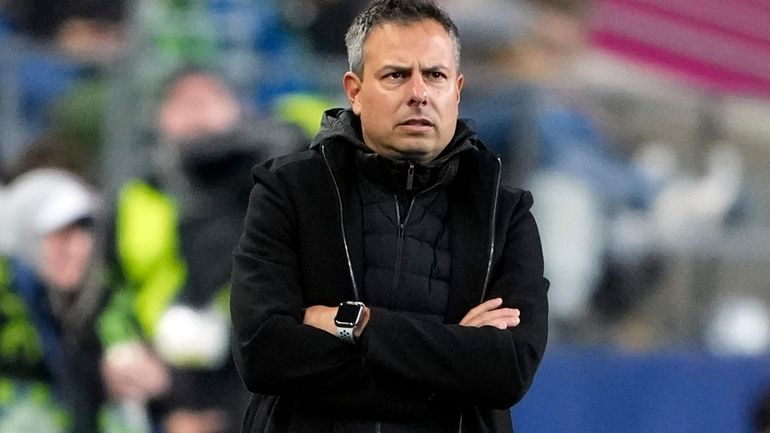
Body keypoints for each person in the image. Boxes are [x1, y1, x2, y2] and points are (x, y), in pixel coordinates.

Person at [229, 1, 549, 432]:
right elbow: (264, 353)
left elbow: (507, 370)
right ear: (354, 91)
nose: (418, 92)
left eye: (434, 75)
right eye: (396, 75)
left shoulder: (504, 214)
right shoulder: (288, 192)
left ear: (456, 89)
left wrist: (356, 322)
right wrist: (453, 363)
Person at [97, 66, 305, 433]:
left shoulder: (277, 179)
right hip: (161, 385)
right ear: (159, 117)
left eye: (208, 98)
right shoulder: (135, 198)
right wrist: (124, 348)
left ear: (237, 109)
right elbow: (108, 291)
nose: (196, 112)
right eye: (182, 102)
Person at [1, 168, 105, 433]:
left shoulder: (94, 307)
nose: (80, 248)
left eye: (84, 230)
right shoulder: (16, 308)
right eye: (61, 235)